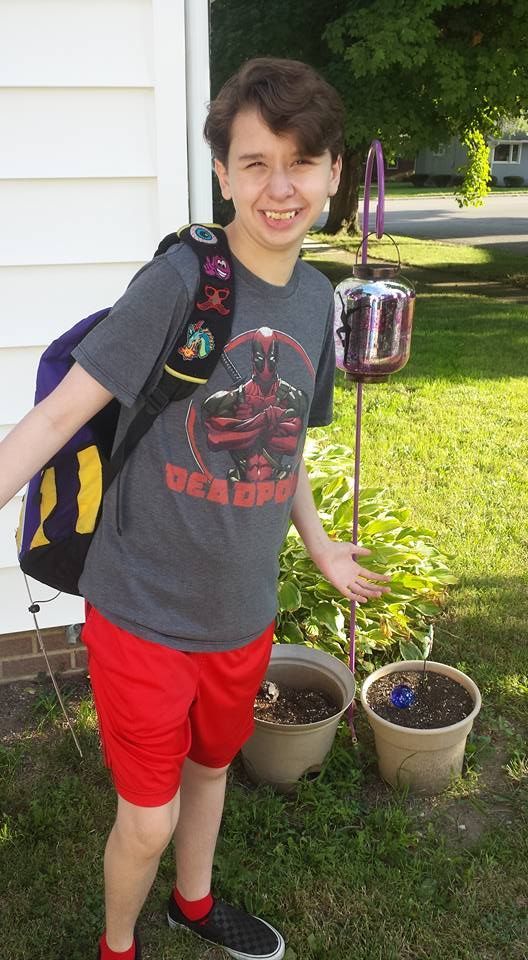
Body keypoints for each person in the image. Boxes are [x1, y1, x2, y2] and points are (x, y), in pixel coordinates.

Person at [0, 57, 390, 960]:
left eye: (301, 162)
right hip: (140, 607)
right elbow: (61, 414)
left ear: (335, 173)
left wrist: (324, 550)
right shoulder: (182, 283)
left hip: (241, 613)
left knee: (210, 769)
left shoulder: (316, 299)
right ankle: (117, 945)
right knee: (148, 812)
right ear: (222, 174)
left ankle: (196, 902)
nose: (280, 186)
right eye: (255, 163)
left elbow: (283, 443)